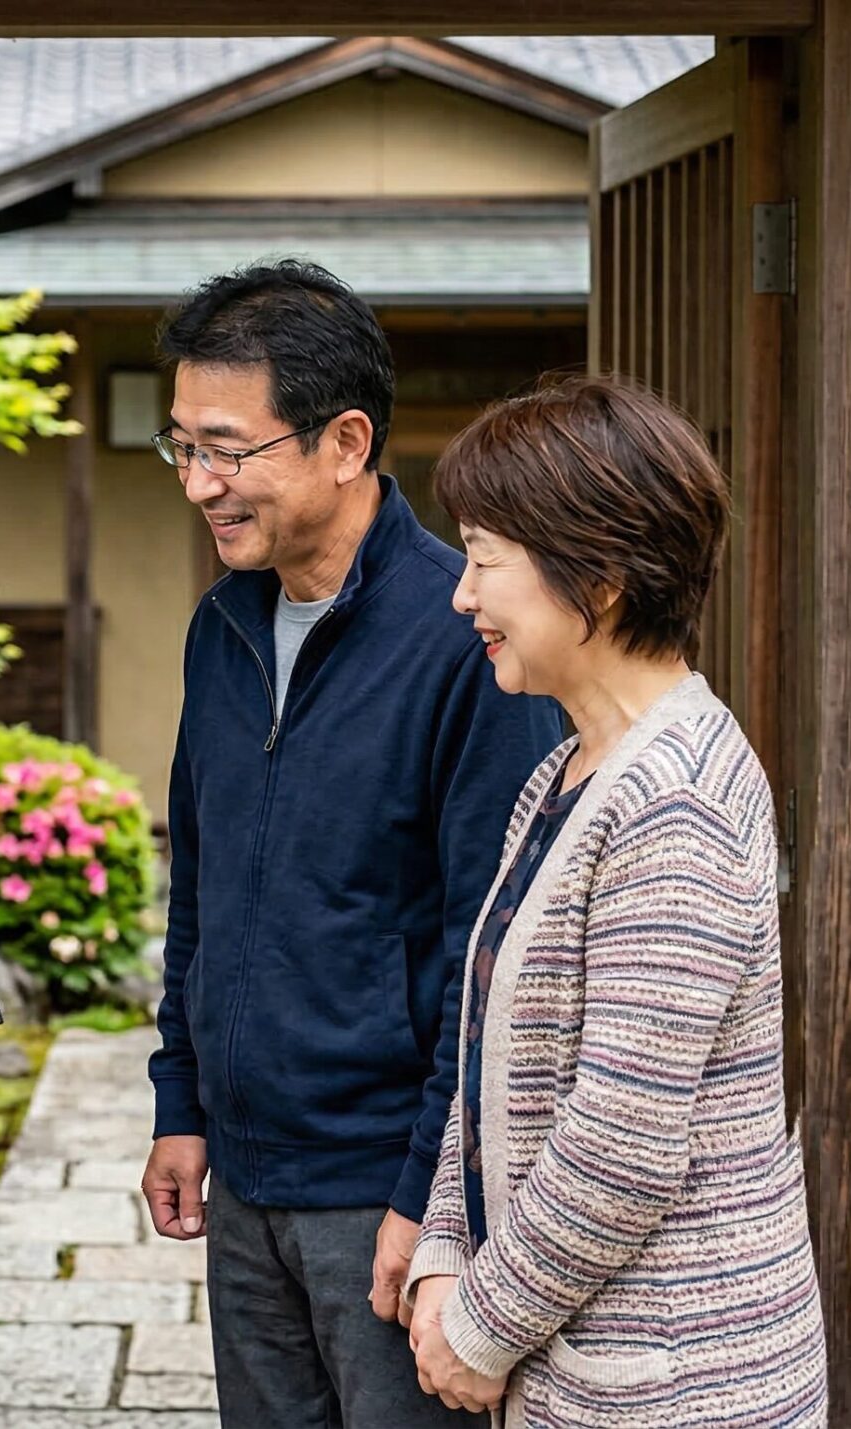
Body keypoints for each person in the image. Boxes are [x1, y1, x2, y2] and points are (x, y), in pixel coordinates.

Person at [140, 259, 565, 1427]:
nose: (199, 483)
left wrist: (428, 1197)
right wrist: (180, 1103)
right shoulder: (221, 625)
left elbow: (496, 955)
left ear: (344, 442)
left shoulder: (467, 637)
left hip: (385, 1188)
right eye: (181, 446)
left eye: (227, 450)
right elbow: (199, 887)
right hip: (243, 1182)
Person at [403, 375, 827, 1426]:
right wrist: (444, 1248)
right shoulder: (568, 771)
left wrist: (477, 1327)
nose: (462, 596)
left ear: (595, 577)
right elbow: (492, 1056)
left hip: (679, 1384)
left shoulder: (676, 797)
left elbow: (621, 1146)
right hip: (591, 1363)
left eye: (485, 559)